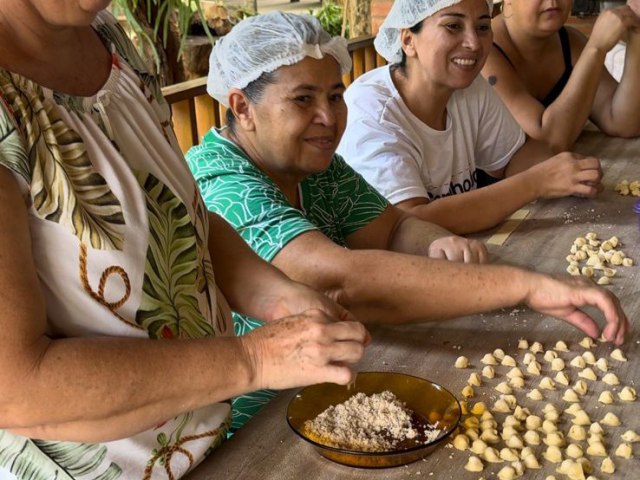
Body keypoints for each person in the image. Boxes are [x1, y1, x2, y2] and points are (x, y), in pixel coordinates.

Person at [188, 10, 629, 432]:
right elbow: (337, 281)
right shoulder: (222, 183)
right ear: (242, 107)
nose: (328, 116)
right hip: (246, 422)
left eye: (335, 96)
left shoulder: (310, 164)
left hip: (327, 377)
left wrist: (434, 242)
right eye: (303, 99)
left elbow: (394, 226)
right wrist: (525, 285)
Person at [0, 2, 371, 479]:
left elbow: (182, 220)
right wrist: (253, 359)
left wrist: (279, 297)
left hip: (208, 444)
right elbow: (14, 387)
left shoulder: (111, 41)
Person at [337, 0, 603, 235]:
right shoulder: (370, 109)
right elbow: (408, 223)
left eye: (483, 27)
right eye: (453, 26)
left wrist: (566, 170)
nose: (474, 43)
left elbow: (517, 156)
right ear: (408, 40)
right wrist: (536, 182)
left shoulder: (468, 89)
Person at [482, 0, 640, 152]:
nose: (552, 2)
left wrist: (636, 32)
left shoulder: (571, 42)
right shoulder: (483, 52)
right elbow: (548, 142)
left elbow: (624, 123)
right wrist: (595, 48)